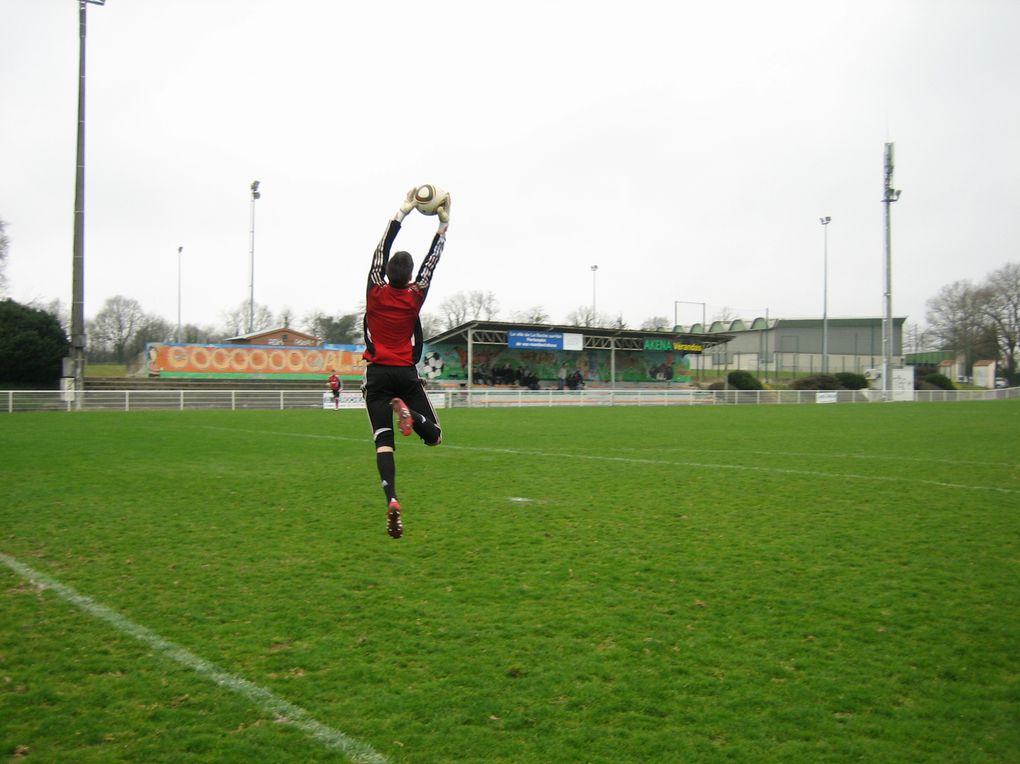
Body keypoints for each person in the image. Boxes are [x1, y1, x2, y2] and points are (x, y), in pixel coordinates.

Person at [361, 189, 449, 539]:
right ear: (410, 276)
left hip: (377, 374)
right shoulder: (416, 295)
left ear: (386, 272)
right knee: (436, 437)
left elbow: (379, 249)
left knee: (384, 444)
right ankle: (413, 415)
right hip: (405, 373)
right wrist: (443, 224)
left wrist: (403, 211)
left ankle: (393, 499)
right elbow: (432, 261)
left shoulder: (374, 289)